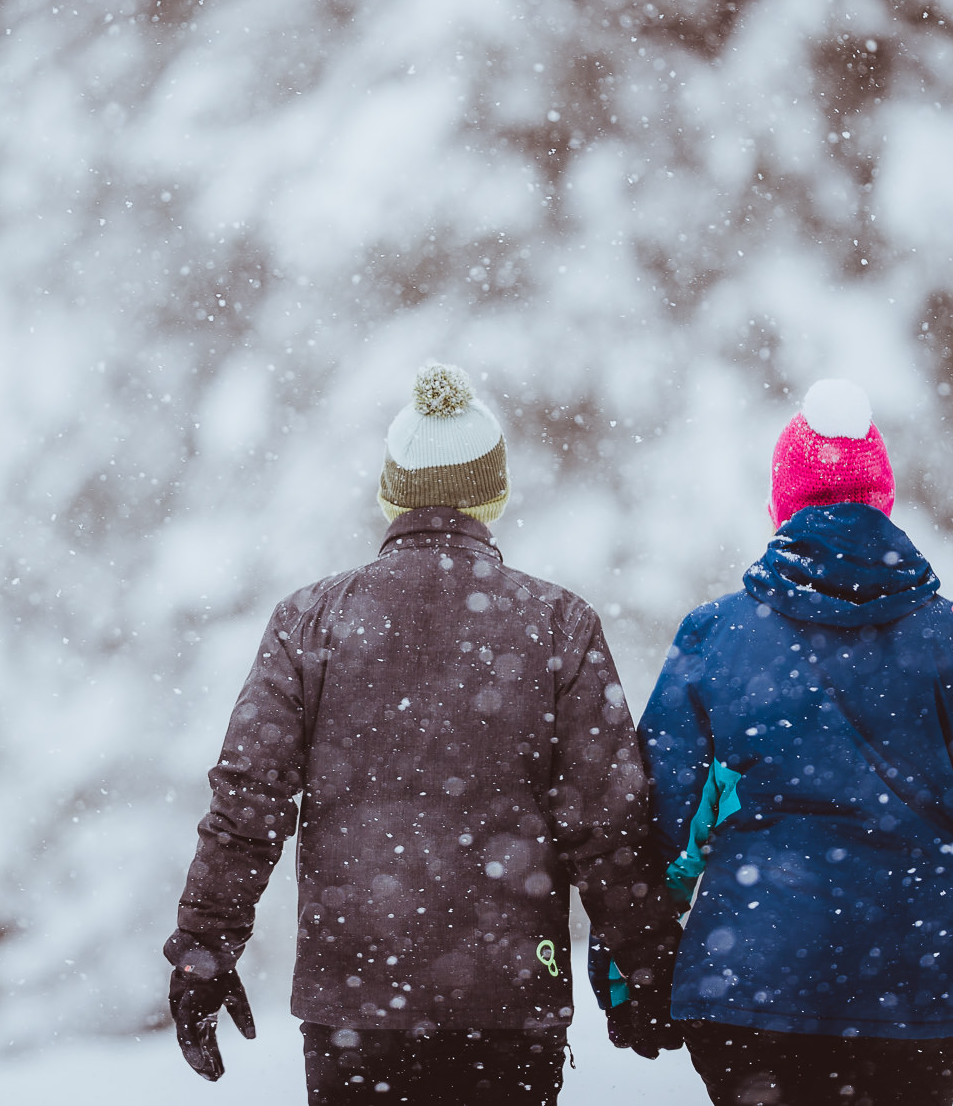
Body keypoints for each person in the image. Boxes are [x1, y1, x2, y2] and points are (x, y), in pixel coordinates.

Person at [165, 363, 685, 1104]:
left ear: (391, 494)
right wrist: (644, 957)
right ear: (493, 494)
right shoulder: (557, 623)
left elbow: (249, 799)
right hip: (509, 997)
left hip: (357, 1001)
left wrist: (205, 943)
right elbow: (608, 818)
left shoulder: (311, 620)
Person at [631, 379, 953, 1106]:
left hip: (751, 994)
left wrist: (632, 963)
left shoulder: (718, 637)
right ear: (883, 502)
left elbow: (656, 825)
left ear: (782, 507)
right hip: (920, 996)